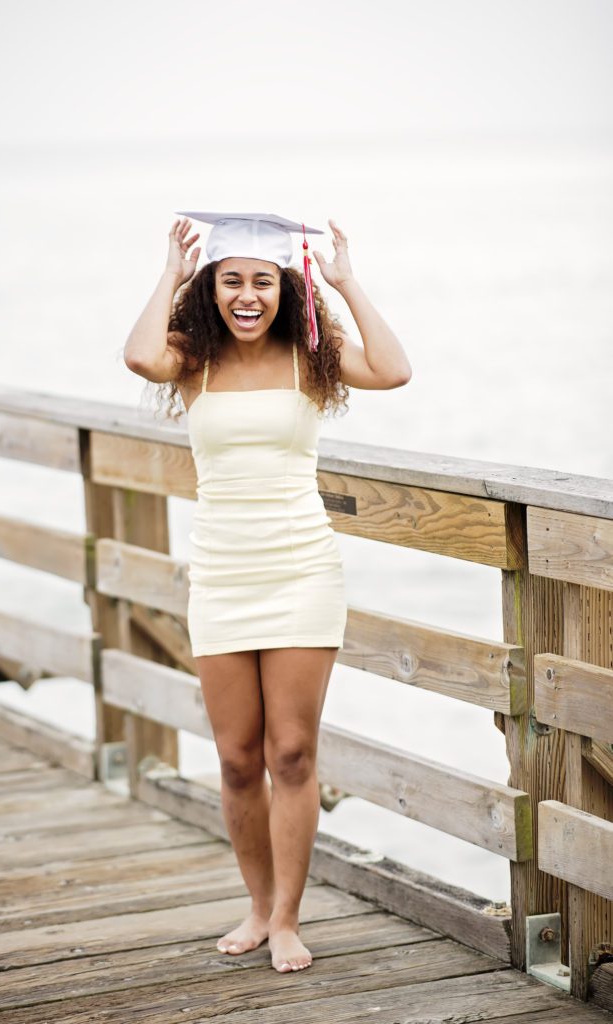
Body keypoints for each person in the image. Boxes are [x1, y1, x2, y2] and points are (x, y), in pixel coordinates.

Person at [124, 212, 412, 973]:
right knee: (235, 757)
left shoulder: (311, 356)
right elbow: (139, 356)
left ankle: (287, 918)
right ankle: (255, 906)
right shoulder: (194, 359)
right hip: (221, 573)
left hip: (301, 570)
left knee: (290, 752)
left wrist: (345, 282)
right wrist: (170, 274)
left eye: (261, 281)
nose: (246, 296)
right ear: (212, 289)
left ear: (284, 288)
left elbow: (395, 369)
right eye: (231, 281)